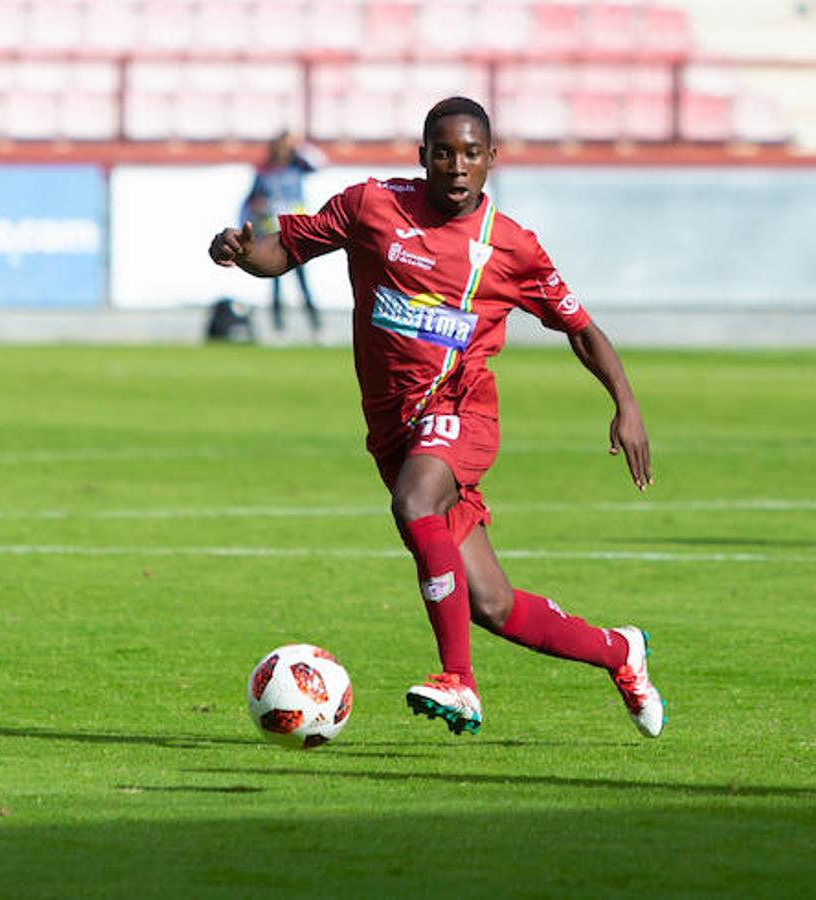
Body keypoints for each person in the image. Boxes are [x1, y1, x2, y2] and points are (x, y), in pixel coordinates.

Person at [208, 97, 665, 739]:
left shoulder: (511, 248)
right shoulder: (373, 207)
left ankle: (461, 682)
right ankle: (621, 653)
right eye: (444, 152)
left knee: (414, 502)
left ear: (491, 161)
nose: (457, 166)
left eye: (471, 154)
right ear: (423, 156)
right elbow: (283, 249)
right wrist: (240, 251)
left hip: (462, 412)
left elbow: (581, 329)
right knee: (491, 604)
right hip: (395, 429)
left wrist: (627, 404)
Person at [243, 132, 327, 335]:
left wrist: (298, 145)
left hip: (296, 232)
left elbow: (320, 162)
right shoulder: (264, 172)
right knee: (274, 280)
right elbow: (252, 200)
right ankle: (278, 325)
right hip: (272, 231)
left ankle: (314, 323)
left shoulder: (296, 167)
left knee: (302, 280)